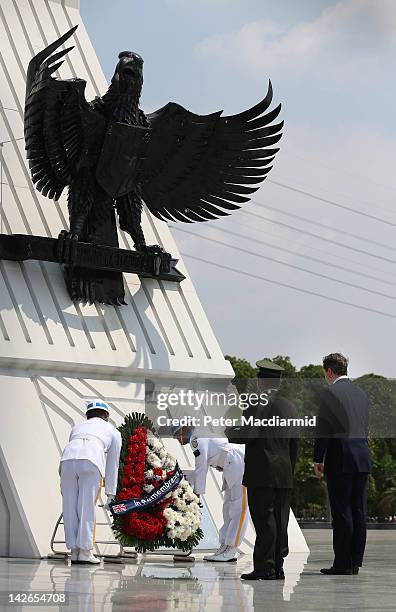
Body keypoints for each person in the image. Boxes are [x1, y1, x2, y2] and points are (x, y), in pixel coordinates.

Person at [226, 358, 299, 581]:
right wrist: (289, 470)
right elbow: (294, 445)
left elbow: (246, 435)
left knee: (264, 520)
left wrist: (230, 429)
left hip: (262, 473)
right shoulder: (290, 407)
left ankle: (265, 567)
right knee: (280, 520)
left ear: (261, 382)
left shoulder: (256, 405)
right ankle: (278, 566)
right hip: (283, 473)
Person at [313, 353, 371, 575]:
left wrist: (318, 458)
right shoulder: (361, 394)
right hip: (362, 457)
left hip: (341, 459)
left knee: (342, 512)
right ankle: (355, 561)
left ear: (329, 371)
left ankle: (342, 563)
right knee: (358, 511)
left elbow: (324, 428)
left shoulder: (330, 393)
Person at [173, 426, 249, 562]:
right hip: (229, 465)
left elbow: (201, 469)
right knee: (227, 508)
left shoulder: (196, 440)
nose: (178, 439)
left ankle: (232, 548)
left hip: (237, 463)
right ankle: (225, 545)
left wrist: (197, 494)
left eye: (177, 434)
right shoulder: (197, 436)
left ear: (185, 429)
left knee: (239, 507)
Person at [59, 400, 122, 564]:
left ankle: (74, 551)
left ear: (88, 415)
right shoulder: (113, 431)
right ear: (106, 415)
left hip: (67, 461)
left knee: (69, 506)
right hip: (91, 460)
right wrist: (111, 493)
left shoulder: (77, 427)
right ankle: (85, 551)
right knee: (86, 506)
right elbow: (112, 464)